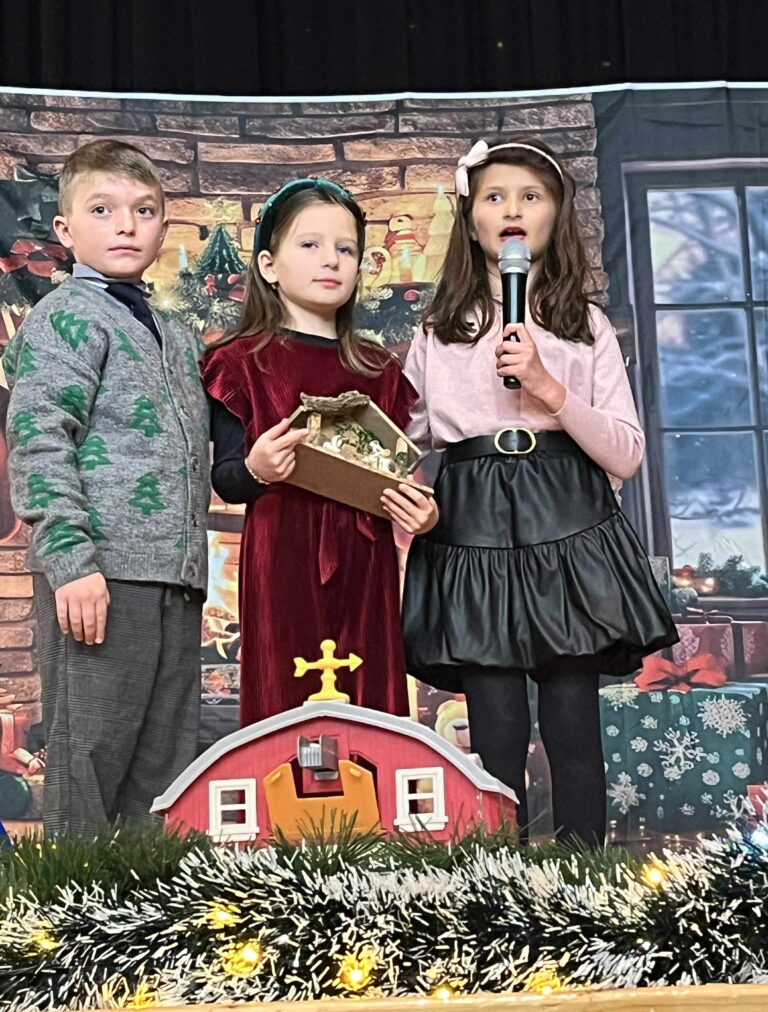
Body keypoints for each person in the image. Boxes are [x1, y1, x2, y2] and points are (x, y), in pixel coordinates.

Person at [401, 138, 678, 845]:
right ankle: (502, 873)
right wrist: (402, 491)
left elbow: (626, 453)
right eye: (494, 197)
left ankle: (583, 872)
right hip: (472, 519)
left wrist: (550, 388)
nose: (512, 210)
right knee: (495, 725)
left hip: (567, 517)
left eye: (531, 196)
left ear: (555, 216)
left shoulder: (585, 325)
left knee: (571, 719)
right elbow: (406, 438)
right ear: (470, 221)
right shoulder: (438, 331)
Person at [4, 140, 210, 835]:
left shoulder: (174, 332)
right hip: (101, 573)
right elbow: (38, 437)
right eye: (103, 209)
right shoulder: (65, 318)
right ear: (65, 230)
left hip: (174, 579)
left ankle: (150, 902)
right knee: (88, 759)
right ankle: (76, 905)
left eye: (144, 211)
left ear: (163, 226)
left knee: (165, 772)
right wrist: (71, 562)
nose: (126, 225)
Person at [202, 178, 437, 726]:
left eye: (346, 248)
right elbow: (227, 477)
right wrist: (258, 468)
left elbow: (403, 473)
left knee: (369, 702)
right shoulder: (241, 362)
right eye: (310, 244)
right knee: (285, 696)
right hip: (282, 552)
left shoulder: (378, 370)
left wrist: (422, 512)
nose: (331, 259)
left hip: (366, 558)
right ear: (268, 265)